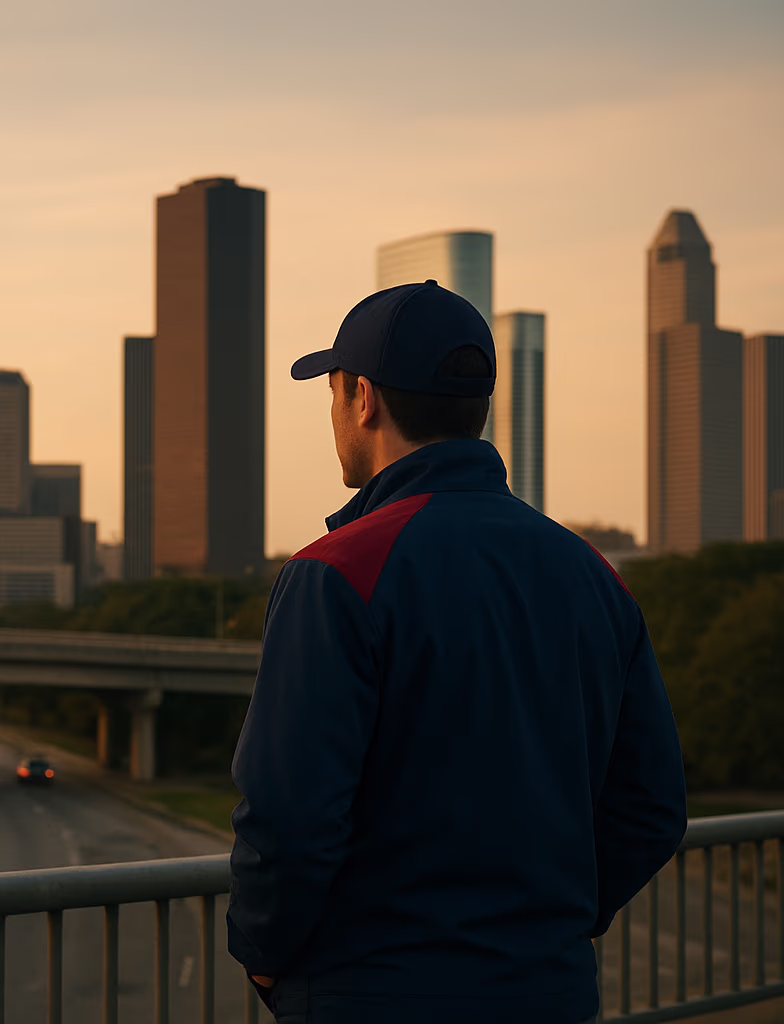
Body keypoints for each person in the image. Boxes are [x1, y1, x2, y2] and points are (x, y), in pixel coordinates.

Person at [228, 281, 686, 1023]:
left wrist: (265, 954)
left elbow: (287, 817)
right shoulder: (594, 574)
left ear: (363, 399)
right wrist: (546, 929)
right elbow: (653, 808)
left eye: (335, 391)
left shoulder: (335, 572)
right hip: (550, 994)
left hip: (371, 993)